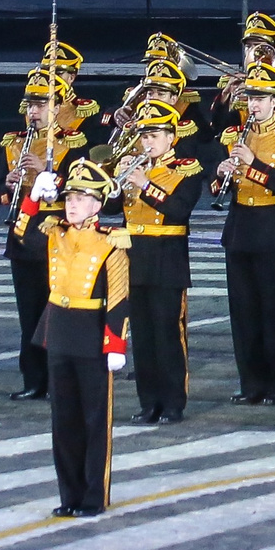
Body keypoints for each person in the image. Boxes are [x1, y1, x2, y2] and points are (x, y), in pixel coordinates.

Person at [40, 160, 130, 517]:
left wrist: (115, 343)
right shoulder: (55, 232)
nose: (72, 205)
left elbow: (118, 296)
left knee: (94, 421)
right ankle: (69, 495)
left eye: (80, 198)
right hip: (60, 331)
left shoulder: (111, 241)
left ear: (97, 204)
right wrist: (33, 200)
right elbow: (20, 239)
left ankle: (93, 496)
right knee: (63, 422)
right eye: (69, 198)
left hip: (92, 334)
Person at [217, 62, 275, 405]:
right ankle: (250, 383)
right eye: (251, 98)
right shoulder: (234, 135)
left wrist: (254, 164)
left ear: (274, 101)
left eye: (260, 98)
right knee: (243, 312)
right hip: (240, 226)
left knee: (273, 310)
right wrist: (222, 174)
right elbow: (221, 186)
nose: (253, 104)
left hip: (273, 227)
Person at [116, 99, 205, 424]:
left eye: (154, 136)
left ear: (171, 138)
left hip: (167, 259)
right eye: (143, 136)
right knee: (142, 337)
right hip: (133, 258)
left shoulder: (186, 169)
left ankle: (173, 403)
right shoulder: (134, 168)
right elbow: (110, 206)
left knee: (168, 334)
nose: (147, 142)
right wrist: (117, 179)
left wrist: (145, 185)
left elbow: (179, 209)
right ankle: (149, 402)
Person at [0, 69, 85, 402]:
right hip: (23, 234)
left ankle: (60, 378)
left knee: (58, 311)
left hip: (56, 235)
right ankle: (33, 379)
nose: (33, 111)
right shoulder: (14, 142)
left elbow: (80, 188)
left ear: (57, 107)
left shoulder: (71, 143)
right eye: (30, 105)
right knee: (29, 312)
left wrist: (50, 174)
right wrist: (8, 184)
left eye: (40, 104)